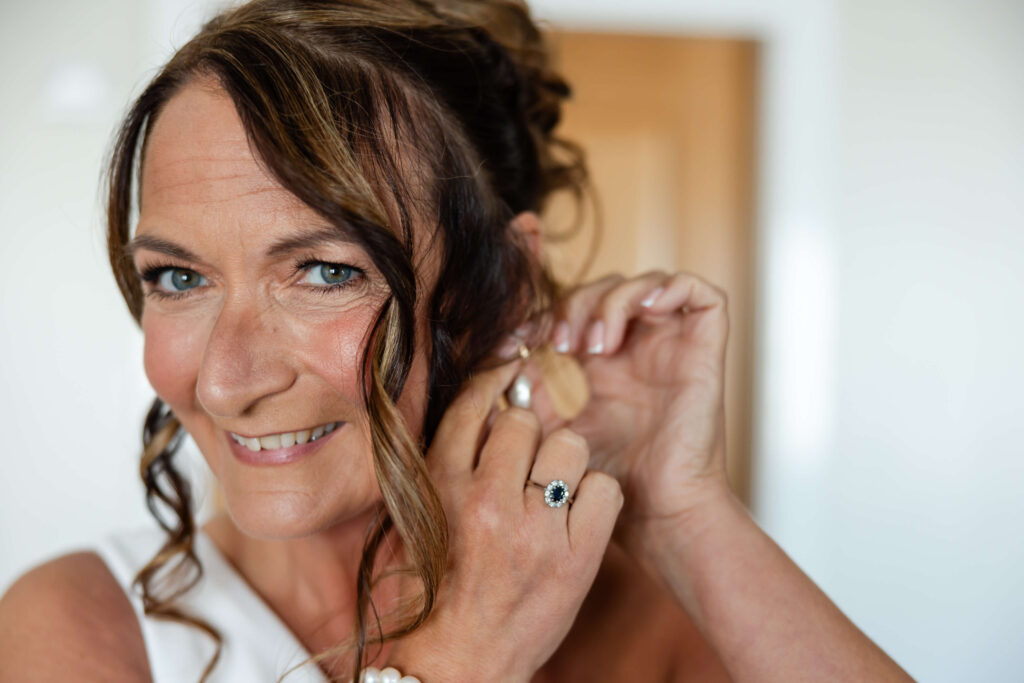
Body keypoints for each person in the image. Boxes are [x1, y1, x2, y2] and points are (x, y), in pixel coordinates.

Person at [0, 1, 914, 681]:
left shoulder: (634, 626)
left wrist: (683, 514)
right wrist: (454, 663)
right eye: (180, 277)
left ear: (502, 283)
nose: (229, 377)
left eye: (325, 270)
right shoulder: (82, 630)